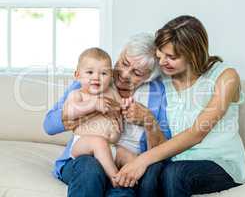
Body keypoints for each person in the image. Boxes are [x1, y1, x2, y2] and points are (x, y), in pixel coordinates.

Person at [114, 15, 245, 197]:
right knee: (150, 176)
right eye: (160, 54)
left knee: (174, 174)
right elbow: (129, 79)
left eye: (171, 57)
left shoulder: (225, 77)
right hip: (175, 160)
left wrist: (142, 160)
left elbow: (197, 133)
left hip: (219, 162)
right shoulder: (163, 80)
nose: (162, 62)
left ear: (192, 54)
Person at [43, 33, 171, 197]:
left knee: (128, 184)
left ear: (149, 76)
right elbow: (49, 125)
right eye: (124, 63)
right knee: (90, 169)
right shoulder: (93, 78)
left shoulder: (157, 93)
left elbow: (163, 151)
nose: (124, 74)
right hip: (85, 159)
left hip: (124, 161)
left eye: (137, 73)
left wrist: (148, 120)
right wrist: (93, 107)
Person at [63, 47, 123, 186]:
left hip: (111, 145)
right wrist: (93, 104)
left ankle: (134, 181)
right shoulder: (77, 94)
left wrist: (126, 107)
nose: (96, 77)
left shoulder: (112, 92)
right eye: (89, 72)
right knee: (98, 142)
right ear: (77, 75)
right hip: (83, 144)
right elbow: (69, 112)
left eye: (103, 73)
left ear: (111, 76)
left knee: (129, 156)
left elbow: (121, 109)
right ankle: (115, 177)